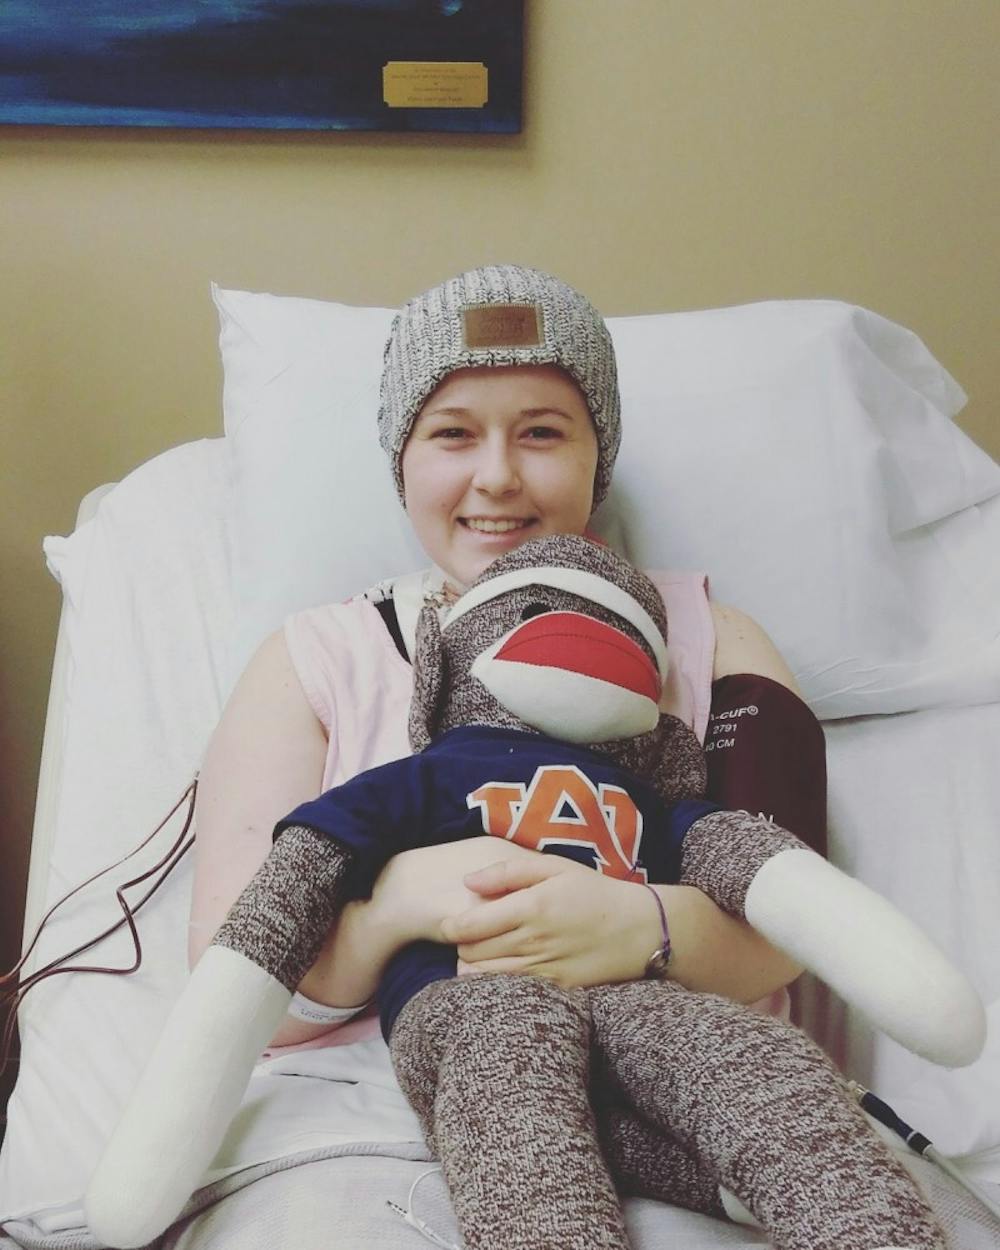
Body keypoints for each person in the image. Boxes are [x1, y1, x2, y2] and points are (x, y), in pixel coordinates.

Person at [183, 265, 835, 1247]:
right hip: (364, 1125)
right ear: (402, 459)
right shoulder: (317, 659)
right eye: (452, 433)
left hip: (709, 1122)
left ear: (597, 456)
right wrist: (400, 909)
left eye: (541, 432)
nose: (495, 476)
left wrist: (640, 925)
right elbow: (234, 982)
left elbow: (795, 925)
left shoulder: (715, 641)